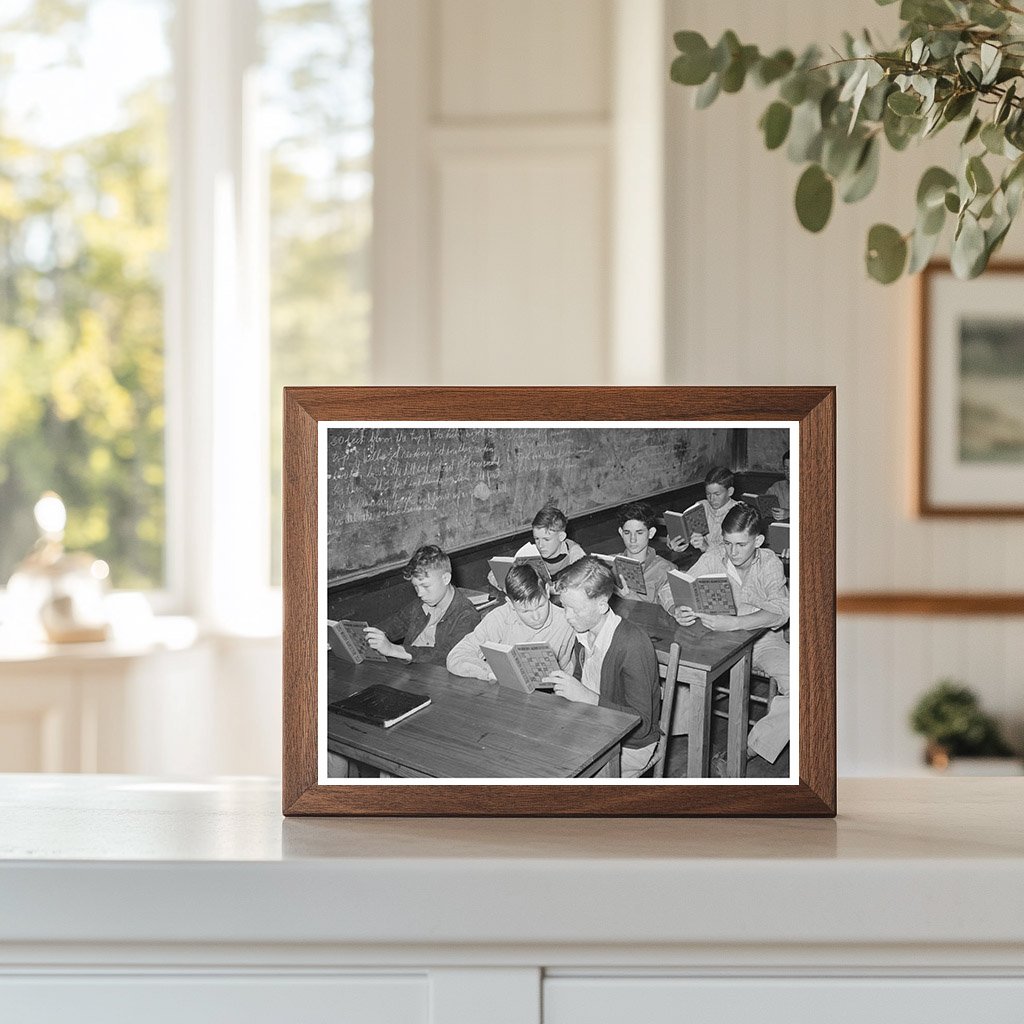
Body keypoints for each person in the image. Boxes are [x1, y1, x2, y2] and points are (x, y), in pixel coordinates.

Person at [664, 502, 790, 765]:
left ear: (759, 541)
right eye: (727, 543)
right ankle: (673, 741)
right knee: (672, 669)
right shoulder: (714, 555)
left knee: (805, 685)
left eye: (740, 545)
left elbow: (781, 611)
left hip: (763, 642)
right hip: (716, 641)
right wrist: (677, 607)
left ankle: (749, 749)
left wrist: (733, 623)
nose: (732, 552)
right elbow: (668, 587)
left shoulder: (769, 562)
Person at [542, 556, 661, 778]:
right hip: (593, 726)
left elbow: (642, 724)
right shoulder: (584, 631)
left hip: (629, 744)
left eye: (575, 610)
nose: (568, 617)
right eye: (564, 607)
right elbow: (581, 684)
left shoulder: (631, 644)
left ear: (602, 604)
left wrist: (586, 697)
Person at [446, 563, 576, 680]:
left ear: (547, 591)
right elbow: (456, 656)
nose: (536, 617)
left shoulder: (569, 620)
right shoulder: (500, 618)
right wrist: (493, 673)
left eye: (541, 606)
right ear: (510, 604)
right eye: (525, 611)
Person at [364, 545, 480, 665]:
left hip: (438, 679)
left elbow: (449, 655)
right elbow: (393, 625)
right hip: (411, 672)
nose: (420, 594)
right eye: (415, 587)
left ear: (446, 578)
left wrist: (394, 650)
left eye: (425, 586)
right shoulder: (419, 605)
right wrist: (370, 635)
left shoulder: (467, 616)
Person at [487, 505, 586, 589]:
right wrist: (507, 587)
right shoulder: (531, 552)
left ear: (561, 537)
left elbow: (586, 578)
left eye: (546, 539)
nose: (540, 545)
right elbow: (492, 575)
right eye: (537, 539)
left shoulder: (574, 551)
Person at [610, 501, 676, 611]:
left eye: (639, 533)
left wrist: (632, 599)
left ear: (651, 533)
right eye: (627, 533)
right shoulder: (610, 564)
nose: (632, 539)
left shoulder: (665, 569)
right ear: (621, 532)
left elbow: (665, 616)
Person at [666, 467, 739, 554]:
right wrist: (675, 541)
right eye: (708, 494)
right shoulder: (702, 506)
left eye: (717, 494)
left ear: (730, 491)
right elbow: (682, 530)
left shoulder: (739, 512)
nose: (712, 499)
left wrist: (707, 547)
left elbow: (735, 553)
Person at [766, 450, 790, 521]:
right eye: (786, 468)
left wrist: (790, 513)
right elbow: (765, 507)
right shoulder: (777, 487)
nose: (789, 472)